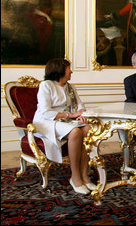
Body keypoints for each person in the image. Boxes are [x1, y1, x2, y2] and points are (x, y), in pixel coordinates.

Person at [33, 58, 95, 195]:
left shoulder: (70, 87)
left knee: (88, 129)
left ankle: (85, 175)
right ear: (60, 70)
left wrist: (80, 114)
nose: (71, 71)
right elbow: (45, 112)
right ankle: (75, 177)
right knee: (75, 132)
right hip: (47, 121)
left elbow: (80, 106)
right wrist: (70, 116)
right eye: (69, 69)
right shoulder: (46, 85)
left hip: (66, 120)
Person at [1, 0, 53, 64]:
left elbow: (32, 9)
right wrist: (12, 26)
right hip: (12, 26)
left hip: (25, 23)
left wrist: (45, 15)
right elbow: (4, 15)